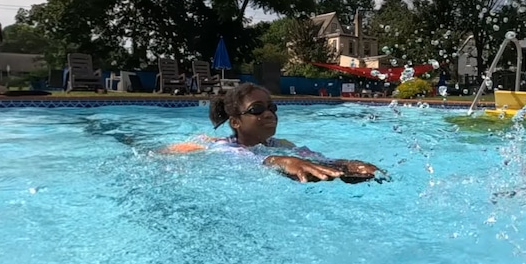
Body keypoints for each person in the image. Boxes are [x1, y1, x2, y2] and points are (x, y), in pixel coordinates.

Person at [159, 83, 387, 183]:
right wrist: (280, 161)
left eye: (271, 107)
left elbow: (312, 158)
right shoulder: (222, 147)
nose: (269, 114)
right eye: (257, 109)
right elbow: (244, 159)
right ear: (236, 122)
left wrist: (345, 164)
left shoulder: (281, 145)